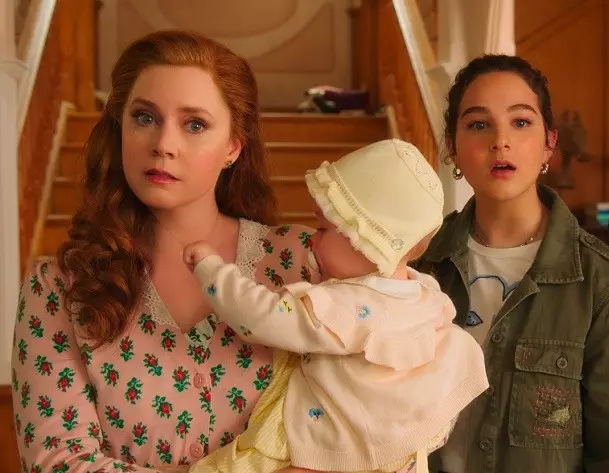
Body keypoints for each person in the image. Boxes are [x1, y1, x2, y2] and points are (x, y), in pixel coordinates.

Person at [11, 30, 320, 473]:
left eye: (195, 124)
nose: (163, 144)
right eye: (145, 117)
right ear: (120, 129)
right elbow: (57, 463)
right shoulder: (58, 288)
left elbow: (379, 420)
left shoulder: (301, 262)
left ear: (233, 147)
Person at [182, 139, 489, 473]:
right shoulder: (424, 294)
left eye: (322, 228)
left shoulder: (346, 306)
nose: (311, 239)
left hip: (325, 447)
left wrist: (211, 269)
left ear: (363, 241)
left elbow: (259, 317)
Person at [412, 54, 609, 473]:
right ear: (452, 147)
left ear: (549, 143)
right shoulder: (418, 266)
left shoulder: (603, 284)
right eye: (478, 124)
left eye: (521, 122)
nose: (500, 141)